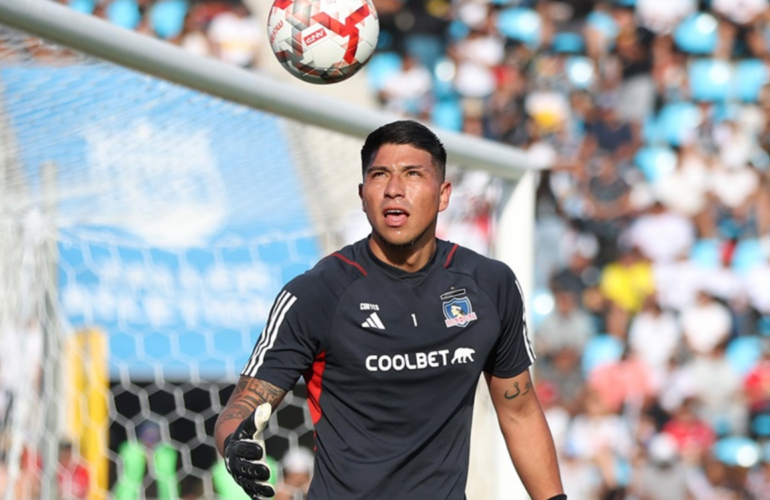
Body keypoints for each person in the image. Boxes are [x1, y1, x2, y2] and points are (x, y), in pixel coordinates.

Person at [214, 120, 566, 500]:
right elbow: (242, 406)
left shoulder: (489, 285)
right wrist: (234, 442)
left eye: (413, 174)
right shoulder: (316, 293)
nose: (394, 190)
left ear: (444, 194)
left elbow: (519, 411)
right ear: (363, 194)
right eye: (380, 175)